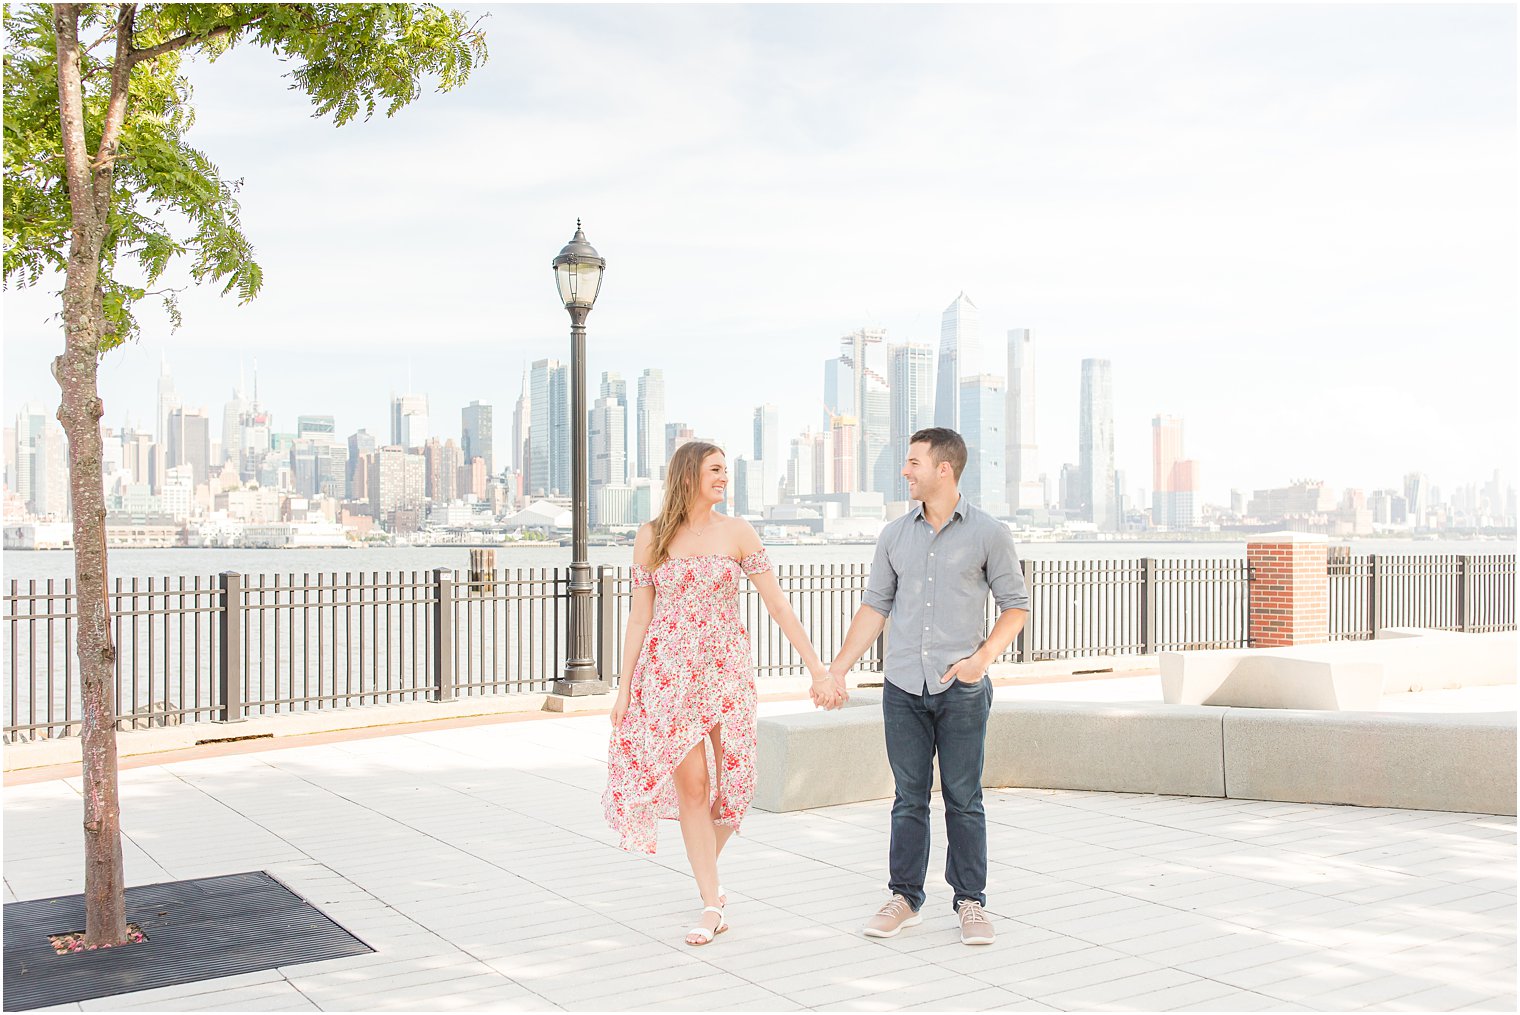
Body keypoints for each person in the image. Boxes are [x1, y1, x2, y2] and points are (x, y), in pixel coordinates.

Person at [603, 441, 839, 947]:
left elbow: (778, 606)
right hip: (669, 677)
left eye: (726, 472)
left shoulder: (739, 533)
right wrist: (624, 690)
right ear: (688, 474)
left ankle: (705, 869)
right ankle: (712, 902)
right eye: (715, 470)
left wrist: (818, 669)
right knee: (693, 789)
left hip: (727, 673)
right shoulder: (651, 537)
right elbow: (639, 617)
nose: (723, 478)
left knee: (739, 783)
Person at [824, 427, 1029, 946]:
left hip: (960, 689)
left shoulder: (989, 533)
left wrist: (979, 662)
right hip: (902, 688)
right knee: (908, 799)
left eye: (913, 462)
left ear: (944, 468)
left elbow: (1016, 607)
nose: (905, 471)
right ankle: (905, 898)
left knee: (964, 799)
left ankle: (970, 902)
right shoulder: (894, 535)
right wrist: (839, 668)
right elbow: (875, 607)